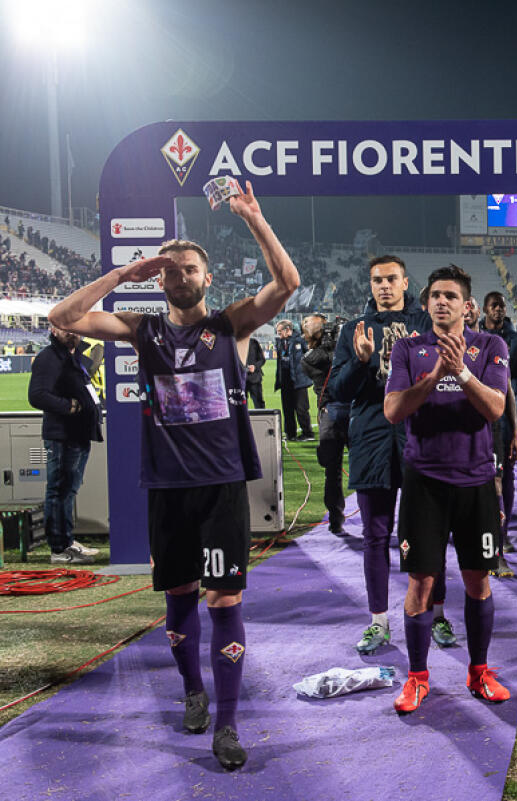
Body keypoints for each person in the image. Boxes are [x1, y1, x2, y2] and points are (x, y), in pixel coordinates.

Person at [47, 180, 299, 770]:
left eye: (189, 268)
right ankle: (192, 692)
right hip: (167, 488)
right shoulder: (143, 330)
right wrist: (123, 274)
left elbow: (286, 283)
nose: (180, 276)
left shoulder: (231, 326)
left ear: (207, 277)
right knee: (180, 596)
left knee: (224, 597)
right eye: (170, 270)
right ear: (159, 281)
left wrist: (254, 218)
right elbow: (63, 317)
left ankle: (228, 725)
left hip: (220, 487)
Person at [382, 264, 512, 712]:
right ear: (425, 303)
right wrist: (438, 372)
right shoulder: (408, 348)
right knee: (421, 581)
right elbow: (393, 410)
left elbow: (495, 408)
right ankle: (417, 678)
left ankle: (479, 672)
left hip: (476, 481)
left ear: (466, 305)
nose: (442, 301)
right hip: (424, 483)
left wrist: (463, 373)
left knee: (478, 579)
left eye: (451, 295)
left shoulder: (490, 345)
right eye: (435, 295)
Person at [328, 255, 431, 654]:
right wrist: (361, 361)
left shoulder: (426, 323)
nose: (384, 285)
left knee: (426, 533)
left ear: (405, 283)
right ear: (370, 285)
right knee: (374, 535)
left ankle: (433, 613)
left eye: (391, 279)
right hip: (371, 438)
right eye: (377, 280)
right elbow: (339, 390)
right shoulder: (353, 329)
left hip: (420, 438)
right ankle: (378, 621)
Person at [27, 326, 103, 564]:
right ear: (53, 329)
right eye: (64, 327)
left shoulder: (73, 356)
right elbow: (37, 395)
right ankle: (60, 549)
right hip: (62, 435)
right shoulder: (48, 357)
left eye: (74, 327)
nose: (71, 332)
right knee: (60, 491)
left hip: (78, 434)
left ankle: (67, 541)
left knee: (68, 491)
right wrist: (68, 407)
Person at [481, 292, 517, 572]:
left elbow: (515, 383)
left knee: (502, 480)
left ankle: (500, 540)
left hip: (500, 422)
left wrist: (515, 432)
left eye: (501, 306)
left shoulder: (514, 341)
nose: (499, 310)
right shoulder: (471, 339)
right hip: (474, 425)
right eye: (494, 306)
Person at [301, 313, 349, 533]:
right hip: (331, 411)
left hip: (348, 409)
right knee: (332, 468)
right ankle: (335, 518)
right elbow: (323, 360)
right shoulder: (310, 357)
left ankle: (369, 516)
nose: (305, 327)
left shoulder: (338, 348)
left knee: (362, 465)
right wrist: (332, 343)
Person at [274, 320, 314, 441]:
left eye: (279, 331)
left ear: (287, 330)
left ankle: (308, 433)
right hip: (285, 380)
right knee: (287, 409)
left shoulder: (300, 340)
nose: (278, 334)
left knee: (301, 409)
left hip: (298, 380)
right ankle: (290, 434)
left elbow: (310, 356)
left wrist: (305, 371)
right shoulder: (280, 342)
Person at [244, 336, 266, 409]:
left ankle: (261, 416)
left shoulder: (254, 343)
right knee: (241, 405)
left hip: (255, 378)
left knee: (259, 404)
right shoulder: (234, 343)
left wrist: (255, 367)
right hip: (240, 379)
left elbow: (262, 359)